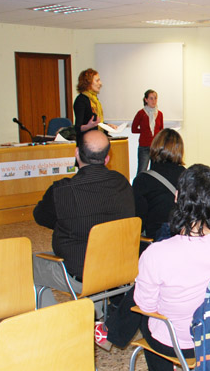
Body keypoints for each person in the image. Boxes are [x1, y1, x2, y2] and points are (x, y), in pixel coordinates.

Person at [135, 164, 210, 371]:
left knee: (139, 311)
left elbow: (146, 305)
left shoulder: (156, 253)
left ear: (176, 198)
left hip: (178, 345)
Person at [32, 129, 135, 312]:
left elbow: (40, 216)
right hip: (120, 268)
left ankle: (55, 324)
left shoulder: (63, 191)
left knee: (30, 264)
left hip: (80, 273)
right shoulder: (122, 183)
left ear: (77, 153)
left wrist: (65, 220)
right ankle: (96, 316)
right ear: (106, 158)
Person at [132, 128, 185, 239]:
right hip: (183, 239)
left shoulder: (142, 180)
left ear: (154, 147)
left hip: (157, 241)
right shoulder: (187, 176)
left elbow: (137, 223)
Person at [131, 89, 163, 175]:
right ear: (146, 100)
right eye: (151, 98)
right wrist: (144, 131)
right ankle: (138, 187)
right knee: (142, 171)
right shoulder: (141, 113)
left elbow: (161, 131)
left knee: (155, 172)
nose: (154, 101)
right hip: (144, 147)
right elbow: (133, 129)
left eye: (155, 98)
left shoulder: (159, 114)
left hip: (155, 148)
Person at [73, 68, 105, 144]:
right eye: (97, 80)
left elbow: (95, 123)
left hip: (96, 141)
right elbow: (78, 128)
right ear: (88, 82)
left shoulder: (94, 100)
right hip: (86, 144)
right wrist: (89, 126)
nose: (100, 83)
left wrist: (107, 126)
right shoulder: (81, 100)